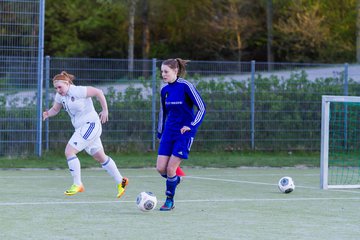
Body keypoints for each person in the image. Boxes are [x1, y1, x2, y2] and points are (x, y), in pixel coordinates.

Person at [43, 71, 128, 198]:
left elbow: (98, 92)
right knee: (100, 157)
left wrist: (105, 110)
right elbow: (55, 109)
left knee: (69, 152)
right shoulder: (60, 96)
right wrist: (48, 113)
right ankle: (121, 181)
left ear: (67, 83)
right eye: (56, 88)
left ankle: (77, 184)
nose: (58, 90)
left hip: (91, 125)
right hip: (81, 129)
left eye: (60, 87)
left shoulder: (78, 91)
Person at [156, 58, 206, 211]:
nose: (163, 74)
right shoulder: (164, 90)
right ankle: (175, 180)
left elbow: (202, 108)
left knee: (171, 169)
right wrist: (160, 134)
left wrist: (191, 126)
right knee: (160, 168)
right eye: (162, 72)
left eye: (166, 71)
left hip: (184, 133)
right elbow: (163, 114)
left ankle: (169, 200)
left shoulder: (186, 86)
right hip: (168, 133)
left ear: (175, 71)